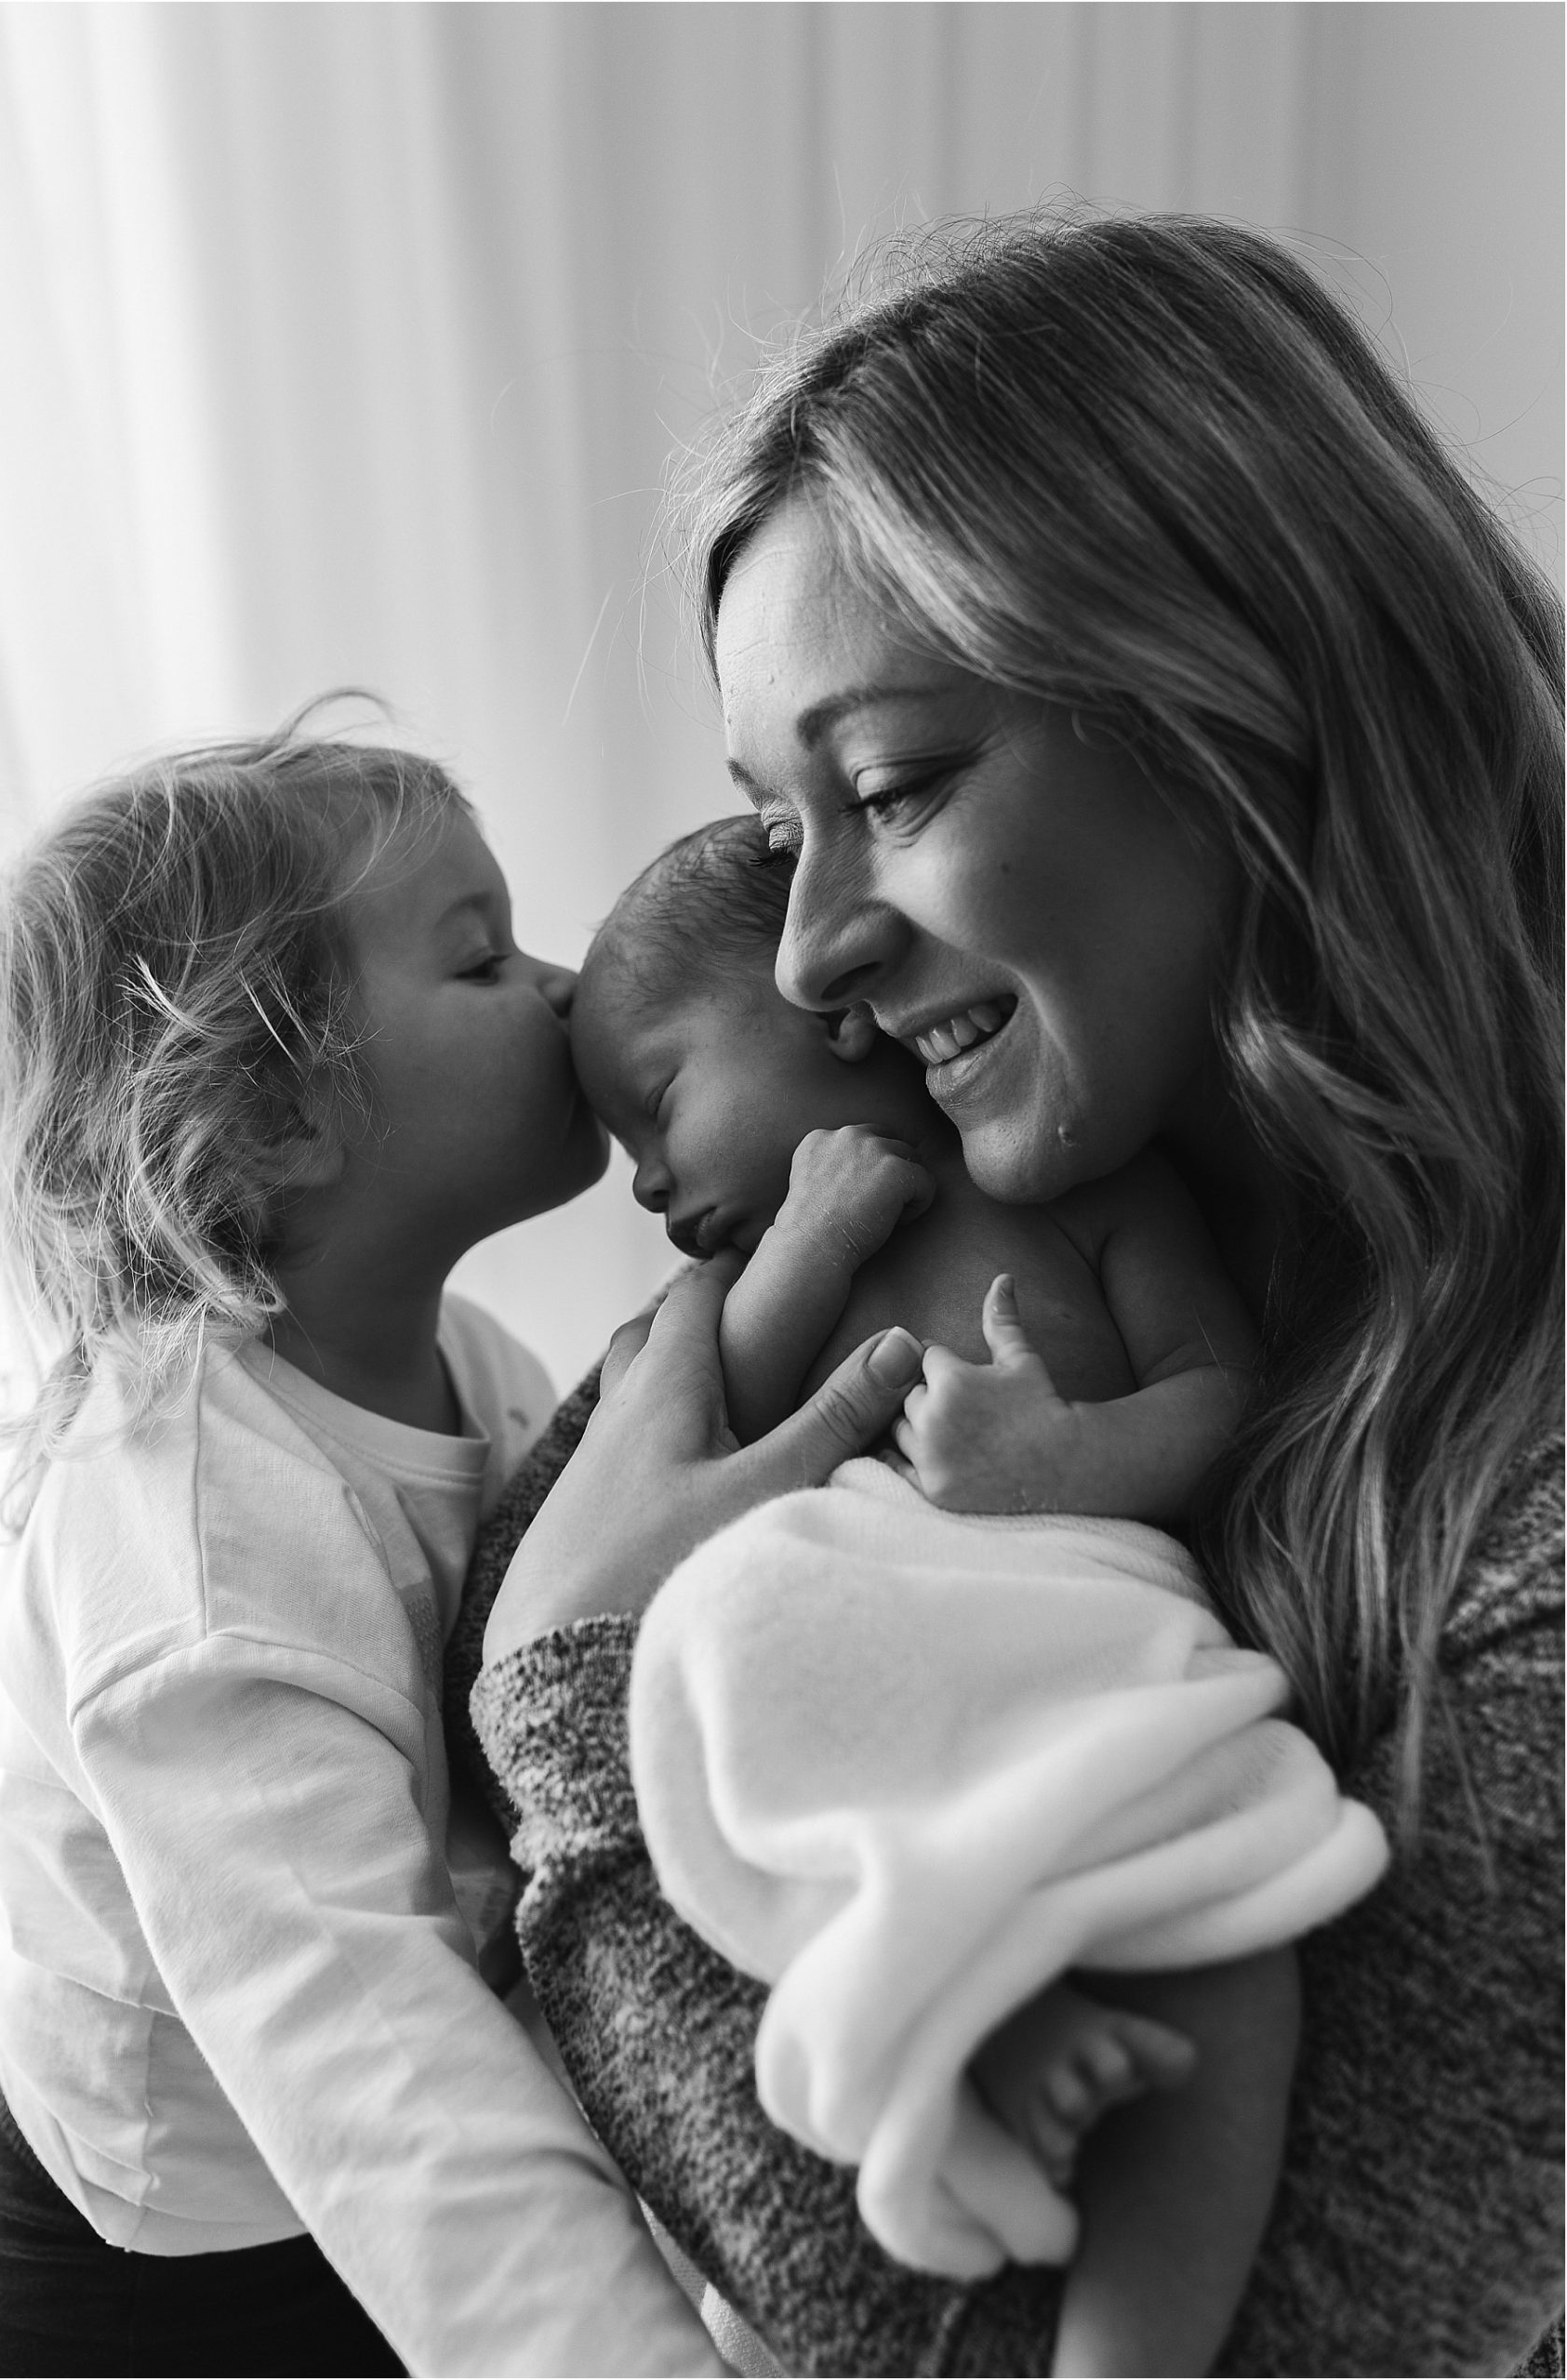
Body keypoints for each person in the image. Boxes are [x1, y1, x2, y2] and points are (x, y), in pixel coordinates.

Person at [461, 213, 1563, 2377]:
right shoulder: (933, 1219)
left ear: (1252, 704)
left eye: (887, 789)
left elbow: (1236, 2337)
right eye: (775, 837)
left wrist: (574, 1727)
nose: (803, 958)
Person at [0, 715, 757, 2377]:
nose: (562, 985)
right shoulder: (188, 1548)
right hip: (183, 2251)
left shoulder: (459, 1360)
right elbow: (384, 2090)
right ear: (272, 1127)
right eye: (481, 960)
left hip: (361, 2079)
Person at [561, 813, 1387, 2376]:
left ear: (830, 1017)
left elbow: (1220, 1391)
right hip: (851, 1665)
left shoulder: (1092, 1193)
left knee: (1231, 1937)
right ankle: (978, 2028)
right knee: (749, 1697)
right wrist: (809, 1240)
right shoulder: (732, 1293)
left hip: (1078, 1645)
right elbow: (700, 1447)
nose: (650, 1184)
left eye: (658, 1106)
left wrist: (1071, 1455)